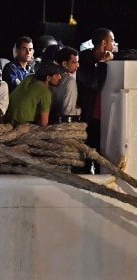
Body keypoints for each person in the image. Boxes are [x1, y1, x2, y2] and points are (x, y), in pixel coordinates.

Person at [76, 28, 115, 172]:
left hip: (105, 117)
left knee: (101, 158)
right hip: (89, 117)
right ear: (104, 43)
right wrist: (103, 64)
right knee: (86, 157)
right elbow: (93, 85)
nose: (114, 44)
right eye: (112, 41)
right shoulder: (83, 62)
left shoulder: (111, 61)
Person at [5, 60, 65, 126]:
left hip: (7, 121)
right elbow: (44, 123)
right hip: (23, 126)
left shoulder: (29, 78)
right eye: (57, 75)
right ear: (48, 78)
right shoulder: (45, 93)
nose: (60, 77)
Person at [50, 46, 81, 122]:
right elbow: (67, 113)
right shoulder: (70, 81)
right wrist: (78, 110)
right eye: (74, 62)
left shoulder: (49, 76)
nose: (78, 65)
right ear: (64, 63)